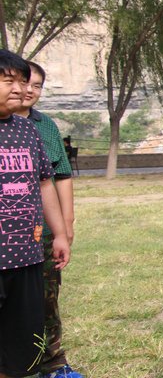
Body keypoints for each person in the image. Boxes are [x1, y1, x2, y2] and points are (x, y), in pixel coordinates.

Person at [0, 50, 70, 378]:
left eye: (22, 81)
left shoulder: (29, 131)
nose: (19, 88)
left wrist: (59, 233)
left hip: (27, 256)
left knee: (20, 347)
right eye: (7, 80)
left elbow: (45, 183)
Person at [13, 62, 82, 378]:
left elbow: (58, 176)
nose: (28, 90)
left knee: (47, 294)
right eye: (23, 82)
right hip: (8, 234)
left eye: (36, 85)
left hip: (39, 229)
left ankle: (52, 362)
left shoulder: (42, 126)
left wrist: (65, 225)